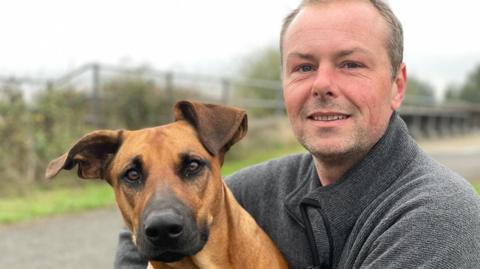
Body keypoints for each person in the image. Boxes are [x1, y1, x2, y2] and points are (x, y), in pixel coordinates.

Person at [115, 0, 480, 268]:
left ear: (397, 85)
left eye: (350, 64)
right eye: (303, 67)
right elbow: (151, 225)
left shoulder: (437, 217)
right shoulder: (263, 187)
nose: (322, 85)